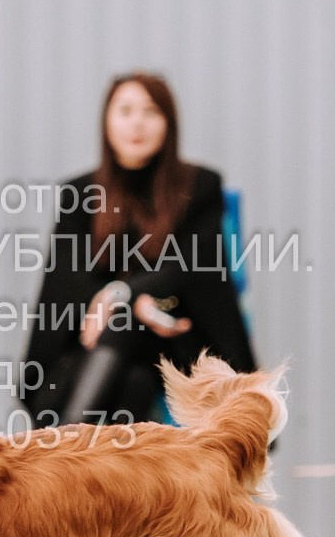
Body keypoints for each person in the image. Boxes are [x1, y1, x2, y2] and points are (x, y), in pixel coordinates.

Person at [21, 73, 257, 424]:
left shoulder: (200, 186)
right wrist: (131, 304)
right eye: (125, 111)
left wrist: (123, 294)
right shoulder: (80, 192)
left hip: (177, 336)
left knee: (124, 321)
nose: (137, 123)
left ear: (168, 123)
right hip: (100, 339)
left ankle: (66, 441)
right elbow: (67, 276)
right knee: (134, 380)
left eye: (150, 112)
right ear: (106, 121)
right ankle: (91, 451)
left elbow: (193, 265)